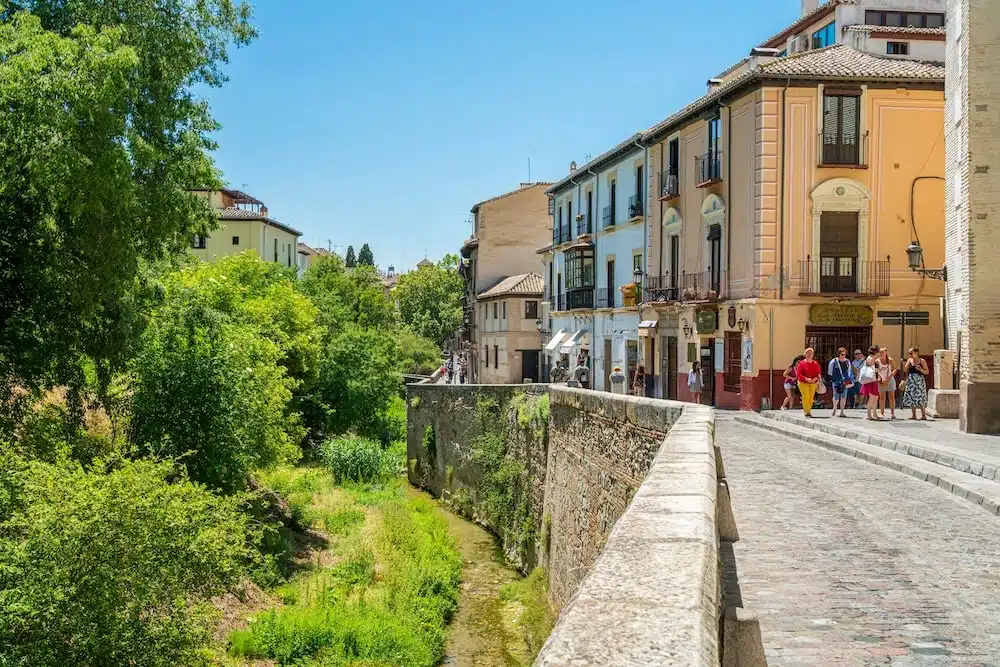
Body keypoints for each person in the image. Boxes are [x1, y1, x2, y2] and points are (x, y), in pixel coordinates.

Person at [901, 346, 930, 420]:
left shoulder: (922, 361)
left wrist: (921, 369)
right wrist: (904, 364)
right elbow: (905, 370)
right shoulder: (910, 360)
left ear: (916, 353)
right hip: (911, 381)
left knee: (920, 397)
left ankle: (923, 415)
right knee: (911, 397)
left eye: (911, 353)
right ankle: (913, 415)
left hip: (919, 381)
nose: (910, 355)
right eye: (909, 353)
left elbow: (927, 371)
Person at [827, 347, 855, 417]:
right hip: (836, 381)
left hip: (845, 381)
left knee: (844, 396)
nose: (843, 356)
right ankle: (835, 408)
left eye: (844, 354)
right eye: (842, 354)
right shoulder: (834, 361)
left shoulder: (847, 361)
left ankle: (842, 411)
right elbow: (830, 372)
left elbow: (849, 371)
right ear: (838, 354)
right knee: (836, 395)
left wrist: (849, 379)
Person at [795, 347, 822, 417]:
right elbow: (798, 374)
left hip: (813, 383)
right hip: (803, 383)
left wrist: (815, 378)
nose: (809, 355)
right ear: (805, 354)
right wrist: (806, 379)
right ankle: (807, 411)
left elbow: (819, 373)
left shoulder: (815, 363)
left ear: (813, 354)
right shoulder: (801, 363)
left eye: (811, 353)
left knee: (811, 397)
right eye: (808, 353)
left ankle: (808, 410)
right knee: (805, 396)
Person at [859, 345, 882, 420]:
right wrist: (877, 370)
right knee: (872, 397)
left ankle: (874, 414)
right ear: (875, 352)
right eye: (878, 351)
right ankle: (869, 414)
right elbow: (869, 368)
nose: (879, 353)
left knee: (875, 397)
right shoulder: (870, 359)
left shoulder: (872, 358)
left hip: (873, 380)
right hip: (870, 380)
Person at [877, 347, 897, 419]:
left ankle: (892, 413)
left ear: (886, 353)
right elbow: (877, 370)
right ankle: (882, 413)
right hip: (881, 380)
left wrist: (889, 377)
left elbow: (895, 369)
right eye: (880, 352)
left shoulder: (890, 360)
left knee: (892, 397)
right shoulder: (877, 361)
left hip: (890, 379)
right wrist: (882, 378)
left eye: (882, 352)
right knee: (882, 397)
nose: (881, 354)